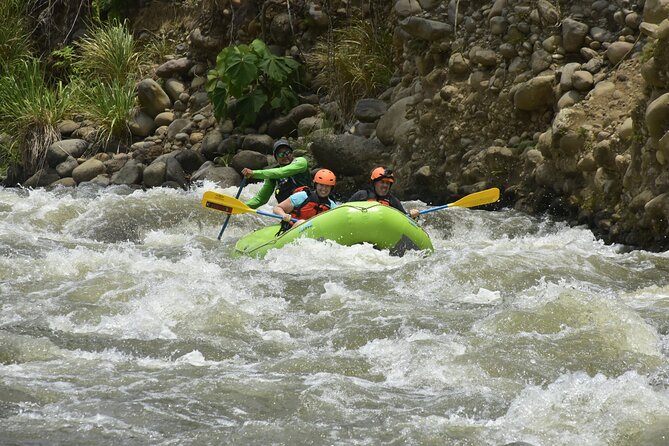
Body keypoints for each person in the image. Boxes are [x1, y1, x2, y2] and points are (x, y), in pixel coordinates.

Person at [241, 139, 311, 209]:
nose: (285, 156)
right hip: (288, 214)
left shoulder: (301, 162)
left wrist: (254, 173)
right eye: (281, 154)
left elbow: (281, 172)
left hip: (307, 206)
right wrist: (242, 206)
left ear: (292, 153)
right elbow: (260, 199)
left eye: (287, 152)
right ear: (276, 158)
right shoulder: (273, 176)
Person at [273, 169, 338, 230]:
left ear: (331, 188)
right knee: (301, 222)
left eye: (327, 186)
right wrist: (284, 215)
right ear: (316, 185)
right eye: (321, 185)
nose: (324, 189)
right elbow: (277, 208)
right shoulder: (303, 196)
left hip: (316, 233)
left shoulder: (332, 205)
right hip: (292, 228)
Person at [348, 166, 419, 219]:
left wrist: (413, 216)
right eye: (382, 182)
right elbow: (344, 211)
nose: (385, 185)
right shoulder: (361, 195)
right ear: (374, 183)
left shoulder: (393, 201)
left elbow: (406, 219)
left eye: (388, 183)